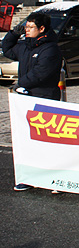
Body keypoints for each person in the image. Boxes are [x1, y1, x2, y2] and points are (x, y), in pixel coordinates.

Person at [2, 12, 62, 192]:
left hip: (44, 98)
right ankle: (28, 177)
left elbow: (42, 72)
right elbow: (7, 49)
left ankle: (56, 178)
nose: (27, 30)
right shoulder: (26, 46)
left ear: (41, 29)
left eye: (30, 27)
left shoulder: (50, 48)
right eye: (25, 27)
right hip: (26, 100)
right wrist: (14, 33)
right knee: (28, 141)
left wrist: (21, 83)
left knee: (47, 141)